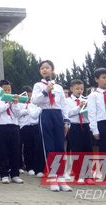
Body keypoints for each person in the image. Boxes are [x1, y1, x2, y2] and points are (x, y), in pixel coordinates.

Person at [31, 60, 72, 192]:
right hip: (46, 114)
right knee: (49, 147)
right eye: (42, 68)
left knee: (60, 146)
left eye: (47, 68)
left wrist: (66, 121)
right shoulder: (38, 85)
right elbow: (35, 101)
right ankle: (52, 177)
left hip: (58, 115)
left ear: (52, 70)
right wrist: (45, 91)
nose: (44, 70)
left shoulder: (59, 87)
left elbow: (63, 105)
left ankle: (61, 177)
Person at [65, 79, 95, 184]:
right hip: (74, 127)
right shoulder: (67, 101)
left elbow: (91, 114)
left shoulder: (87, 99)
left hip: (86, 126)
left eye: (81, 88)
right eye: (77, 88)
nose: (80, 91)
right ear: (71, 89)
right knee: (77, 151)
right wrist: (79, 107)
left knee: (88, 150)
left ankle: (89, 175)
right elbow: (68, 114)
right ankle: (79, 175)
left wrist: (87, 108)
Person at [0, 80, 23, 184]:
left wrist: (14, 104)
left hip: (14, 126)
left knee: (15, 151)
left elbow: (18, 114)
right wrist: (7, 104)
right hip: (1, 126)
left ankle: (15, 174)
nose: (7, 91)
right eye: (5, 90)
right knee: (3, 151)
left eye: (9, 89)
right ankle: (4, 174)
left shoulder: (14, 100)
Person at [18, 86, 45, 177]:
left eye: (30, 94)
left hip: (36, 126)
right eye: (27, 94)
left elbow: (36, 114)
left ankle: (38, 168)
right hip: (25, 126)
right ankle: (29, 167)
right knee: (28, 147)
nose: (29, 96)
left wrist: (31, 109)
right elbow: (18, 113)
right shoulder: (19, 103)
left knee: (37, 147)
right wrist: (27, 110)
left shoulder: (34, 103)